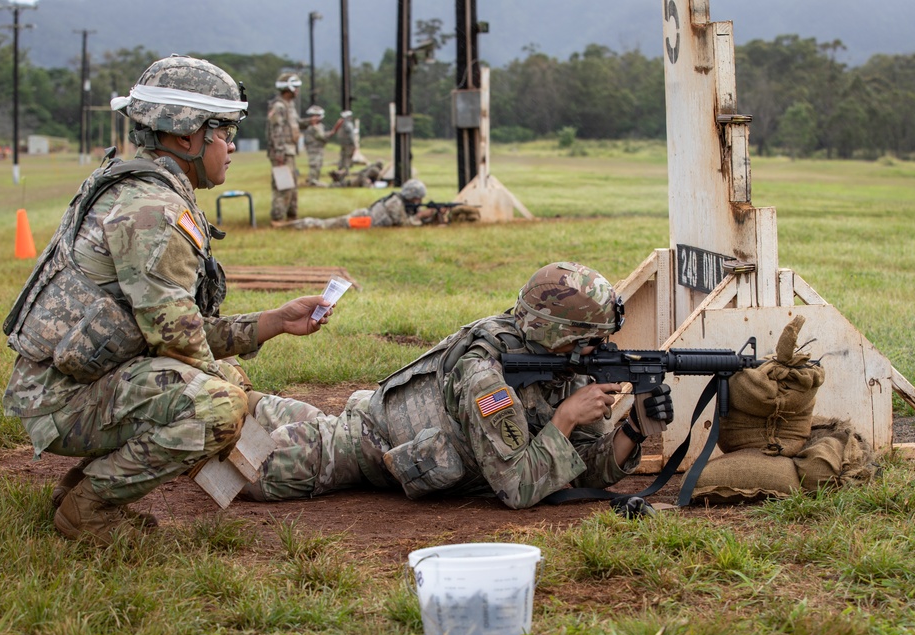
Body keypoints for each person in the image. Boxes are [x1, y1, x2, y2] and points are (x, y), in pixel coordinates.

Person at [0, 56, 333, 546]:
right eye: (224, 132)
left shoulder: (144, 187)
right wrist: (232, 402)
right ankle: (88, 509)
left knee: (225, 383)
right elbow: (180, 341)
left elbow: (177, 326)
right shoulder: (154, 210)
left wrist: (273, 321)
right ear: (186, 137)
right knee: (217, 405)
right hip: (62, 402)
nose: (232, 146)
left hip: (72, 385)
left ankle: (80, 487)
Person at [240, 262, 675, 509]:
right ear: (559, 336)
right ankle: (217, 398)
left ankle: (244, 398)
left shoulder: (564, 363)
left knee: (258, 410)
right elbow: (519, 487)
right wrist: (564, 418)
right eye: (591, 340)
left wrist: (631, 431)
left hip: (388, 425)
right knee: (244, 474)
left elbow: (572, 468)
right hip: (363, 446)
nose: (602, 348)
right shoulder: (486, 374)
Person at [273, 178, 438, 229]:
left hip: (365, 217)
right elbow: (403, 225)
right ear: (412, 196)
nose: (419, 202)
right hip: (363, 221)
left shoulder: (400, 200)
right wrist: (421, 216)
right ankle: (287, 226)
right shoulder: (396, 203)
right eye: (418, 198)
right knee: (322, 225)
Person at [267, 72, 303, 222]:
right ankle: (277, 218)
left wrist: (309, 122)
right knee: (283, 185)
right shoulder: (279, 106)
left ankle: (291, 216)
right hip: (282, 152)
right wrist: (279, 152)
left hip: (290, 151)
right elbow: (276, 131)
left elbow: (295, 124)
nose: (297, 90)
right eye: (295, 87)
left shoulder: (290, 106)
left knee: (292, 186)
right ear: (288, 88)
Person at [302, 105, 328, 186]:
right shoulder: (311, 127)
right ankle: (312, 180)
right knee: (314, 164)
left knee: (319, 163)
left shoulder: (320, 126)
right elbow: (321, 136)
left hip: (319, 148)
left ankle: (315, 179)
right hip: (313, 148)